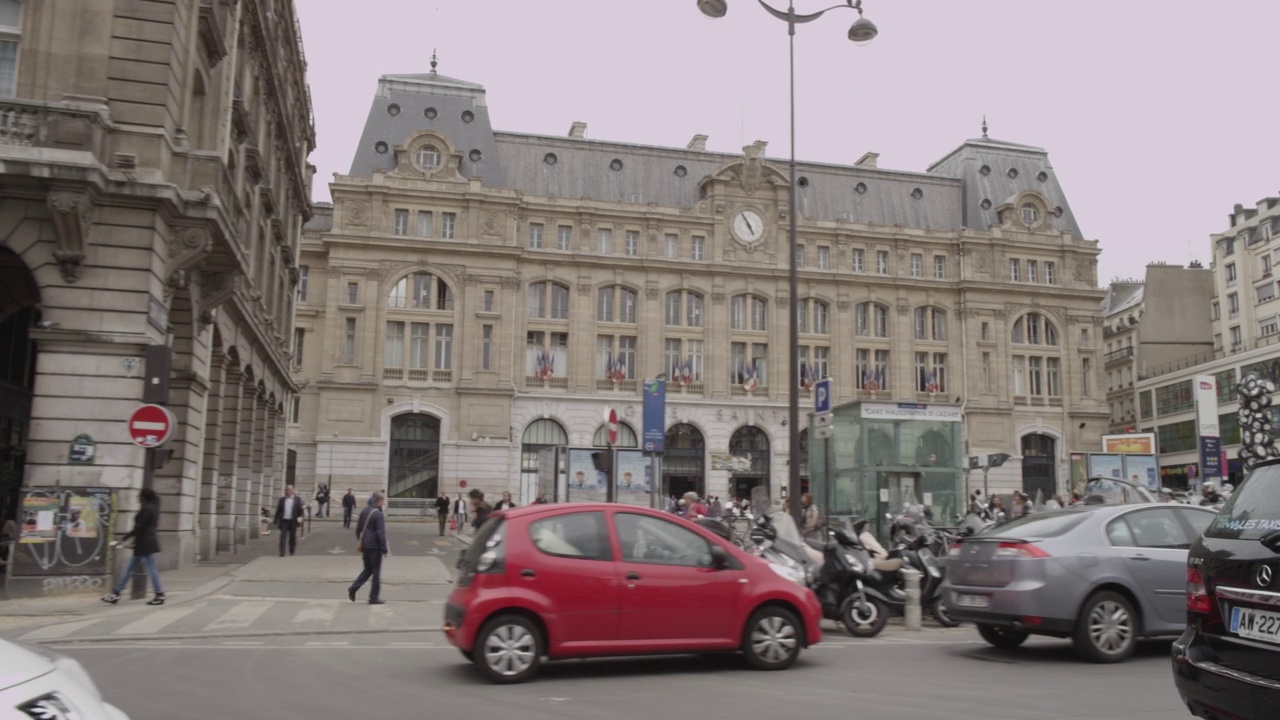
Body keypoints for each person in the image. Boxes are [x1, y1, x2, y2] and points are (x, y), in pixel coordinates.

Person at [102, 488, 165, 606]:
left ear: (144, 497)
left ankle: (159, 594)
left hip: (144, 544)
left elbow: (138, 528)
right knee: (129, 569)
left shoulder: (146, 509)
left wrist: (124, 539)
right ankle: (116, 593)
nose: (138, 499)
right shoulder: (153, 508)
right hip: (144, 543)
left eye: (139, 496)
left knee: (150, 569)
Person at [348, 491, 388, 604]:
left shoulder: (365, 511)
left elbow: (358, 529)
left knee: (367, 569)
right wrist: (384, 549)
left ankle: (353, 588)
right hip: (375, 546)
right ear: (379, 501)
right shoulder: (378, 514)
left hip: (366, 545)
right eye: (383, 500)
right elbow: (381, 533)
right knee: (376, 572)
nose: (383, 502)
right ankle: (373, 597)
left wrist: (361, 541)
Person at [274, 484, 305, 557]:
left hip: (293, 521)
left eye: (289, 490)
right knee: (283, 536)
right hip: (284, 520)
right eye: (287, 490)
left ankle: (292, 551)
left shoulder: (297, 499)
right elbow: (278, 510)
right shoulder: (282, 500)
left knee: (292, 537)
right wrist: (275, 520)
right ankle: (282, 552)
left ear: (293, 490)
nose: (288, 492)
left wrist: (300, 517)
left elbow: (300, 510)